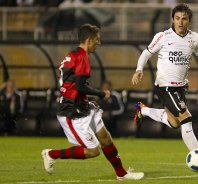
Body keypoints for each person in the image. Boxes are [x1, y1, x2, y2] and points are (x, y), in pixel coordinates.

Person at [131, 3, 198, 168]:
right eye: (177, 18)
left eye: (184, 19)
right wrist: (139, 69)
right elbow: (146, 53)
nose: (180, 22)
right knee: (186, 118)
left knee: (174, 123)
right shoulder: (163, 36)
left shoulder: (194, 38)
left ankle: (142, 109)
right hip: (165, 86)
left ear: (189, 21)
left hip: (180, 87)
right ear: (172, 19)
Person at [41, 24, 144, 180]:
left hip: (81, 105)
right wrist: (102, 93)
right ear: (89, 40)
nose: (99, 43)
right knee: (93, 151)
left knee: (105, 138)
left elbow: (75, 85)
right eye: (97, 39)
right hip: (71, 111)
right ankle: (51, 154)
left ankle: (121, 174)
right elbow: (81, 86)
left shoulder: (73, 54)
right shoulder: (82, 56)